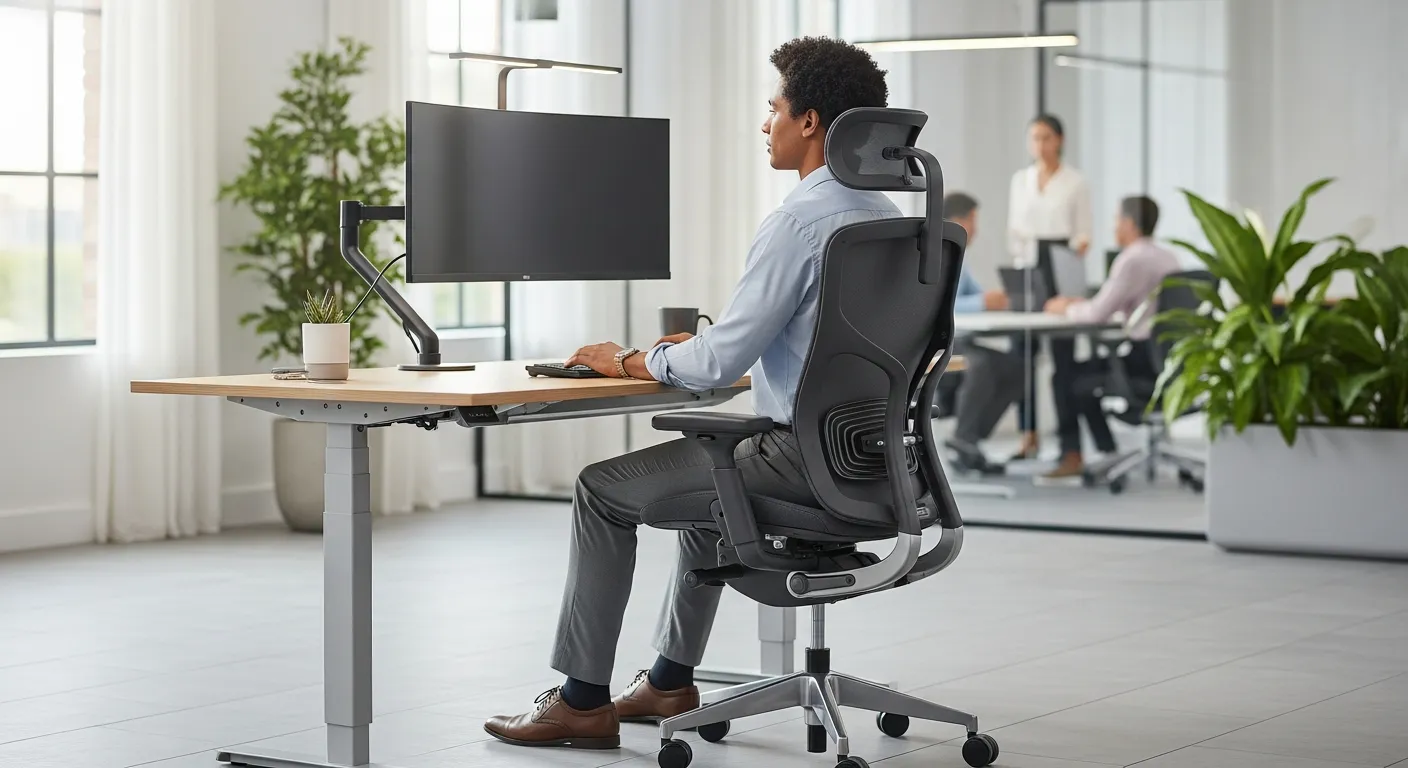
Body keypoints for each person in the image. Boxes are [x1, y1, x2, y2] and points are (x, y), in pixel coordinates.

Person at [483, 37, 897, 750]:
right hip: (875, 463)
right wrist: (698, 350)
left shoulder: (799, 221)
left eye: (773, 108)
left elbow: (717, 365)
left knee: (599, 489)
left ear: (810, 121)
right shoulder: (893, 220)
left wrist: (629, 358)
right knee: (710, 483)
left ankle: (581, 700)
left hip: (799, 461)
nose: (764, 123)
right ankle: (669, 680)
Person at [1039, 195, 1181, 481]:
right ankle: (1106, 452)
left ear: (1129, 223)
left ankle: (1076, 456)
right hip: (1168, 363)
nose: (1114, 226)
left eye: (1117, 220)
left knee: (1066, 377)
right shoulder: (1168, 257)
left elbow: (1095, 314)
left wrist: (1065, 306)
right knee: (1082, 376)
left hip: (1142, 364)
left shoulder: (1131, 259)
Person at [1005, 114, 1092, 461]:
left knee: (1063, 364)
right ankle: (1029, 435)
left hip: (1060, 274)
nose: (1039, 145)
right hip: (1027, 273)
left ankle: (1070, 447)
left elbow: (1084, 233)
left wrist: (1070, 253)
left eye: (1046, 138)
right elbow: (1014, 232)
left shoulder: (1076, 182)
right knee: (1020, 358)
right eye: (1034, 138)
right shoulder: (1020, 180)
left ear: (1059, 140)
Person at [941, 192, 1022, 476]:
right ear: (965, 219)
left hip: (962, 340)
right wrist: (982, 302)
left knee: (1018, 367)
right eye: (975, 221)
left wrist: (994, 300)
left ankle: (969, 442)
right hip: (939, 345)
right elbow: (938, 304)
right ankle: (963, 440)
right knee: (981, 365)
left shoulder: (959, 255)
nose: (977, 229)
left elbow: (974, 295)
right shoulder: (935, 252)